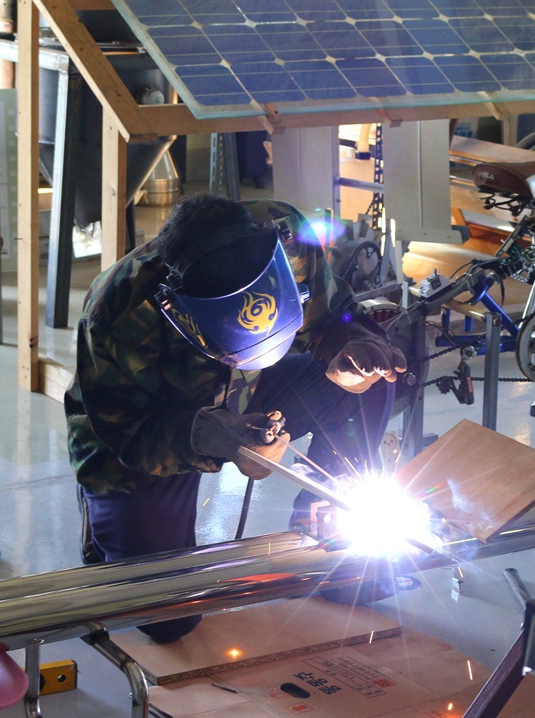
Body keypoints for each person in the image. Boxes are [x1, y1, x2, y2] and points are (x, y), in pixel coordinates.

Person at [65, 194, 406, 643]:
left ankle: (328, 530)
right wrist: (210, 438)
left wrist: (349, 344)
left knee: (370, 384)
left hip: (256, 386)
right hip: (154, 431)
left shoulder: (284, 234)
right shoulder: (118, 309)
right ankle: (105, 527)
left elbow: (331, 315)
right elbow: (128, 432)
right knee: (170, 620)